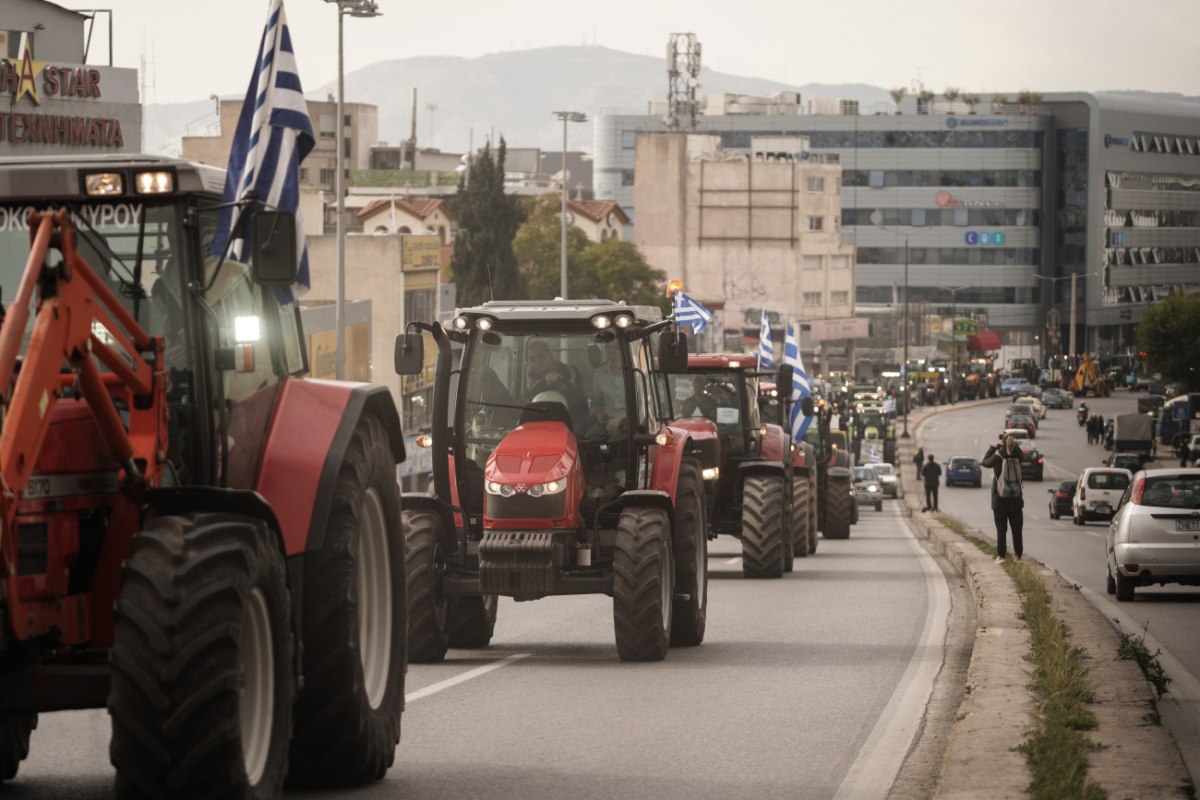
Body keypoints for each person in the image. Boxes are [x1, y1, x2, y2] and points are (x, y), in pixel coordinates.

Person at [525, 339, 587, 431]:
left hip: (572, 421)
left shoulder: (570, 371)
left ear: (550, 355)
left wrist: (561, 380)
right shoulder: (534, 379)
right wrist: (530, 383)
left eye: (541, 356)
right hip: (542, 423)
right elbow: (527, 406)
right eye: (533, 359)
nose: (538, 361)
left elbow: (580, 399)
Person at [982, 434, 1024, 563]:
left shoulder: (997, 457)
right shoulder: (1018, 457)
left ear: (1002, 442)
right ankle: (1018, 556)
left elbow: (984, 462)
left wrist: (992, 447)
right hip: (1016, 500)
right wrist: (1012, 445)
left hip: (1000, 500)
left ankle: (1001, 556)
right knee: (1017, 530)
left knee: (1001, 529)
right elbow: (1020, 453)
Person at [589, 339, 627, 436]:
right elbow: (595, 403)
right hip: (607, 422)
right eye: (608, 347)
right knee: (589, 438)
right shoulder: (599, 374)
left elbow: (644, 405)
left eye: (616, 347)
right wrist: (599, 414)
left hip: (631, 421)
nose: (611, 350)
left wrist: (620, 417)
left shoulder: (635, 372)